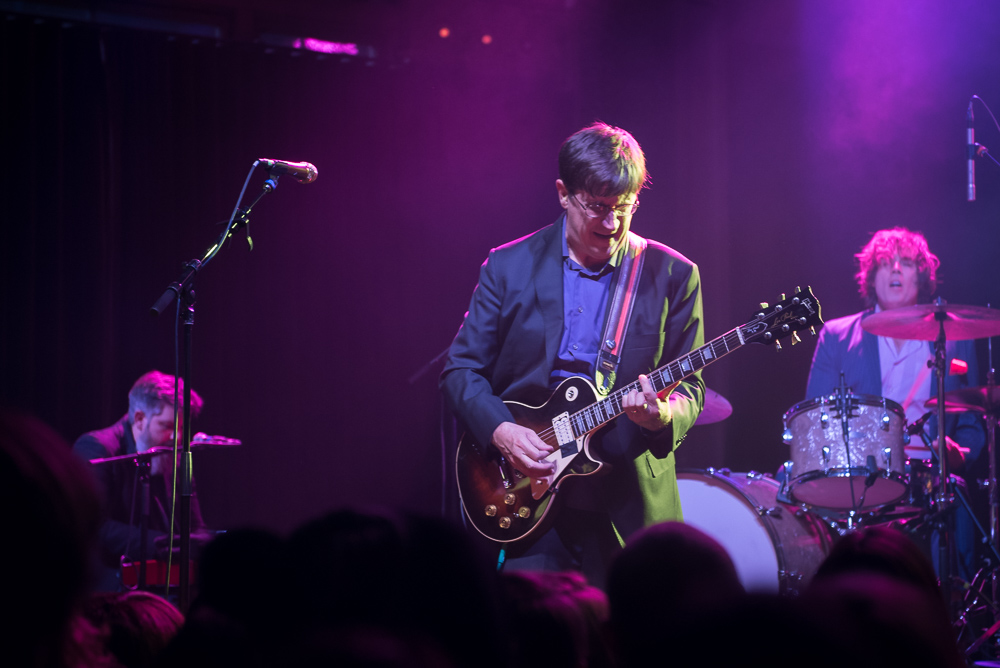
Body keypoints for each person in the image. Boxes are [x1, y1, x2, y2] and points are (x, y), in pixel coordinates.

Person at [440, 122, 705, 586]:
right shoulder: (509, 265)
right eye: (598, 207)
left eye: (624, 208)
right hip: (528, 492)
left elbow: (694, 387)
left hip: (628, 501)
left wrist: (662, 415)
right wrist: (501, 430)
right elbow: (460, 370)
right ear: (564, 194)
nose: (611, 224)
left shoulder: (673, 274)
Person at [804, 227, 986, 580]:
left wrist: (960, 453)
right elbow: (817, 421)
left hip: (930, 473)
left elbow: (973, 424)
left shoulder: (953, 337)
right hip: (860, 475)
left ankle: (951, 610)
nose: (897, 270)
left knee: (958, 496)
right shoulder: (838, 336)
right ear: (872, 278)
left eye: (907, 263)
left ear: (923, 275)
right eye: (886, 263)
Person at [73, 370, 211, 592]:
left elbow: (195, 525)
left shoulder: (176, 457)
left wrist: (202, 543)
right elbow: (94, 524)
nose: (177, 437)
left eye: (182, 428)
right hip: (109, 584)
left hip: (165, 582)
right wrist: (162, 544)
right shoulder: (97, 448)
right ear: (139, 419)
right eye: (167, 426)